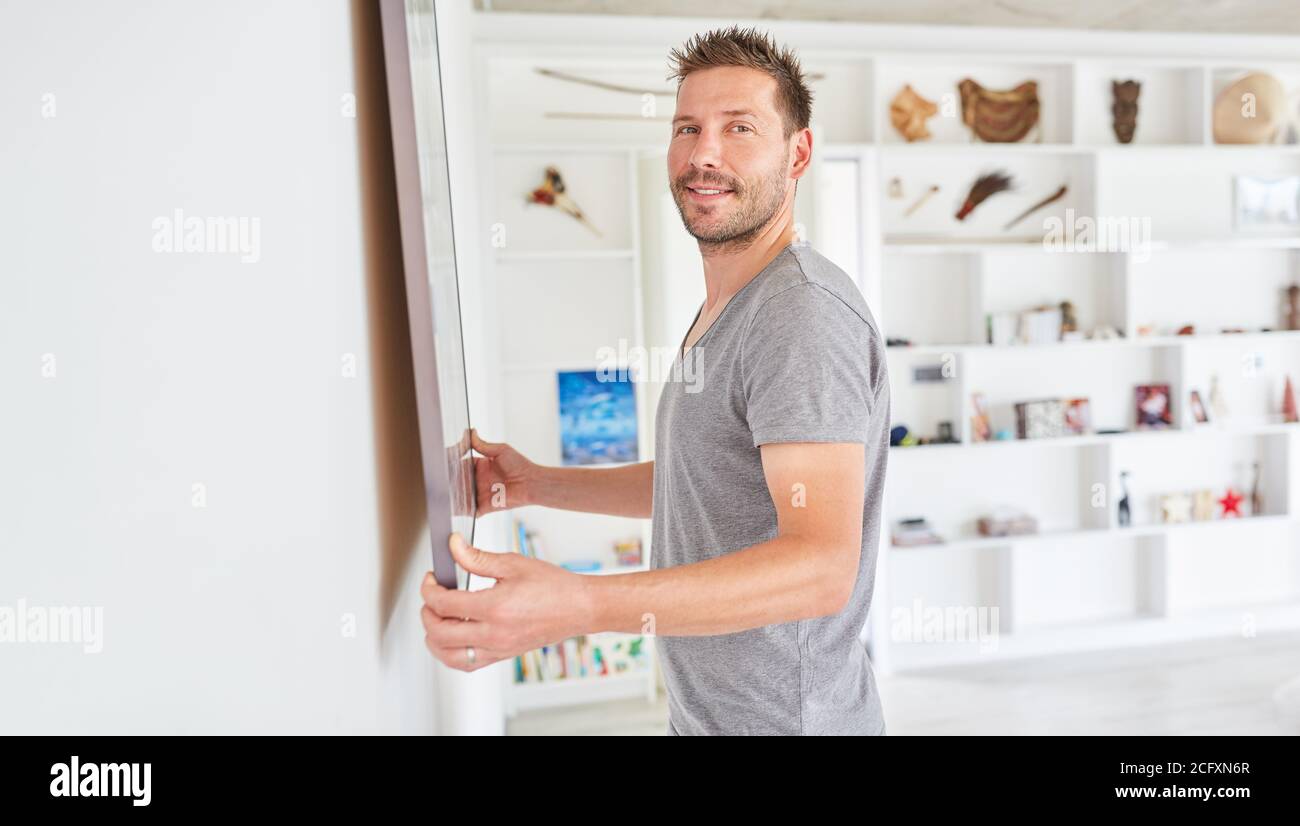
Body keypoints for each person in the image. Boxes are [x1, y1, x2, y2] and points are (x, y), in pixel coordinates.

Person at [420, 25, 890, 736]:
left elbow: (823, 566)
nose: (704, 153)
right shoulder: (730, 303)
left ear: (798, 154)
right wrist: (540, 484)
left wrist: (580, 604)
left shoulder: (800, 315)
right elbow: (704, 483)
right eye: (687, 128)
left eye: (739, 128)